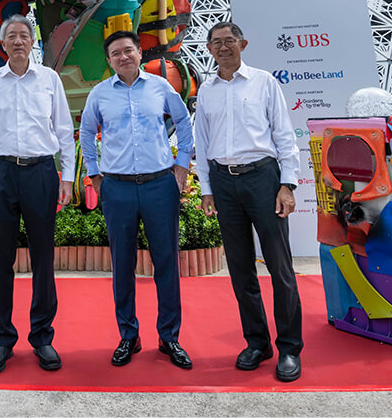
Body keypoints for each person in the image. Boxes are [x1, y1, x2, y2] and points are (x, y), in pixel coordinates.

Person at [194, 20, 304, 383]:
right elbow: (203, 143)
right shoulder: (206, 91)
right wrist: (207, 189)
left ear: (243, 43)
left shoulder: (264, 82)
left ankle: (289, 346)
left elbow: (284, 135)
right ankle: (257, 342)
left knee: (280, 267)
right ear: (209, 49)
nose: (223, 47)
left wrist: (287, 184)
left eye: (229, 41)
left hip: (263, 178)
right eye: (216, 42)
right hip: (224, 184)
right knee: (241, 270)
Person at [78, 30, 194, 369]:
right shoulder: (100, 94)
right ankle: (128, 335)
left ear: (140, 52)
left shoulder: (160, 88)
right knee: (122, 264)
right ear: (109, 60)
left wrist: (182, 165)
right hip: (117, 188)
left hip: (160, 184)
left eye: (128, 50)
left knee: (166, 263)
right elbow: (86, 132)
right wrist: (95, 173)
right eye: (116, 53)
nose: (123, 56)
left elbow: (184, 122)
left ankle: (169, 336)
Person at [0, 15, 75, 374]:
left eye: (23, 35)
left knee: (43, 257)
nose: (18, 41)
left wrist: (68, 177)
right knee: (1, 259)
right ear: (3, 44)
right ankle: (1, 339)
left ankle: (43, 336)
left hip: (41, 173)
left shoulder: (49, 79)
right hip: (1, 173)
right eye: (11, 36)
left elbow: (63, 129)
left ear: (33, 42)